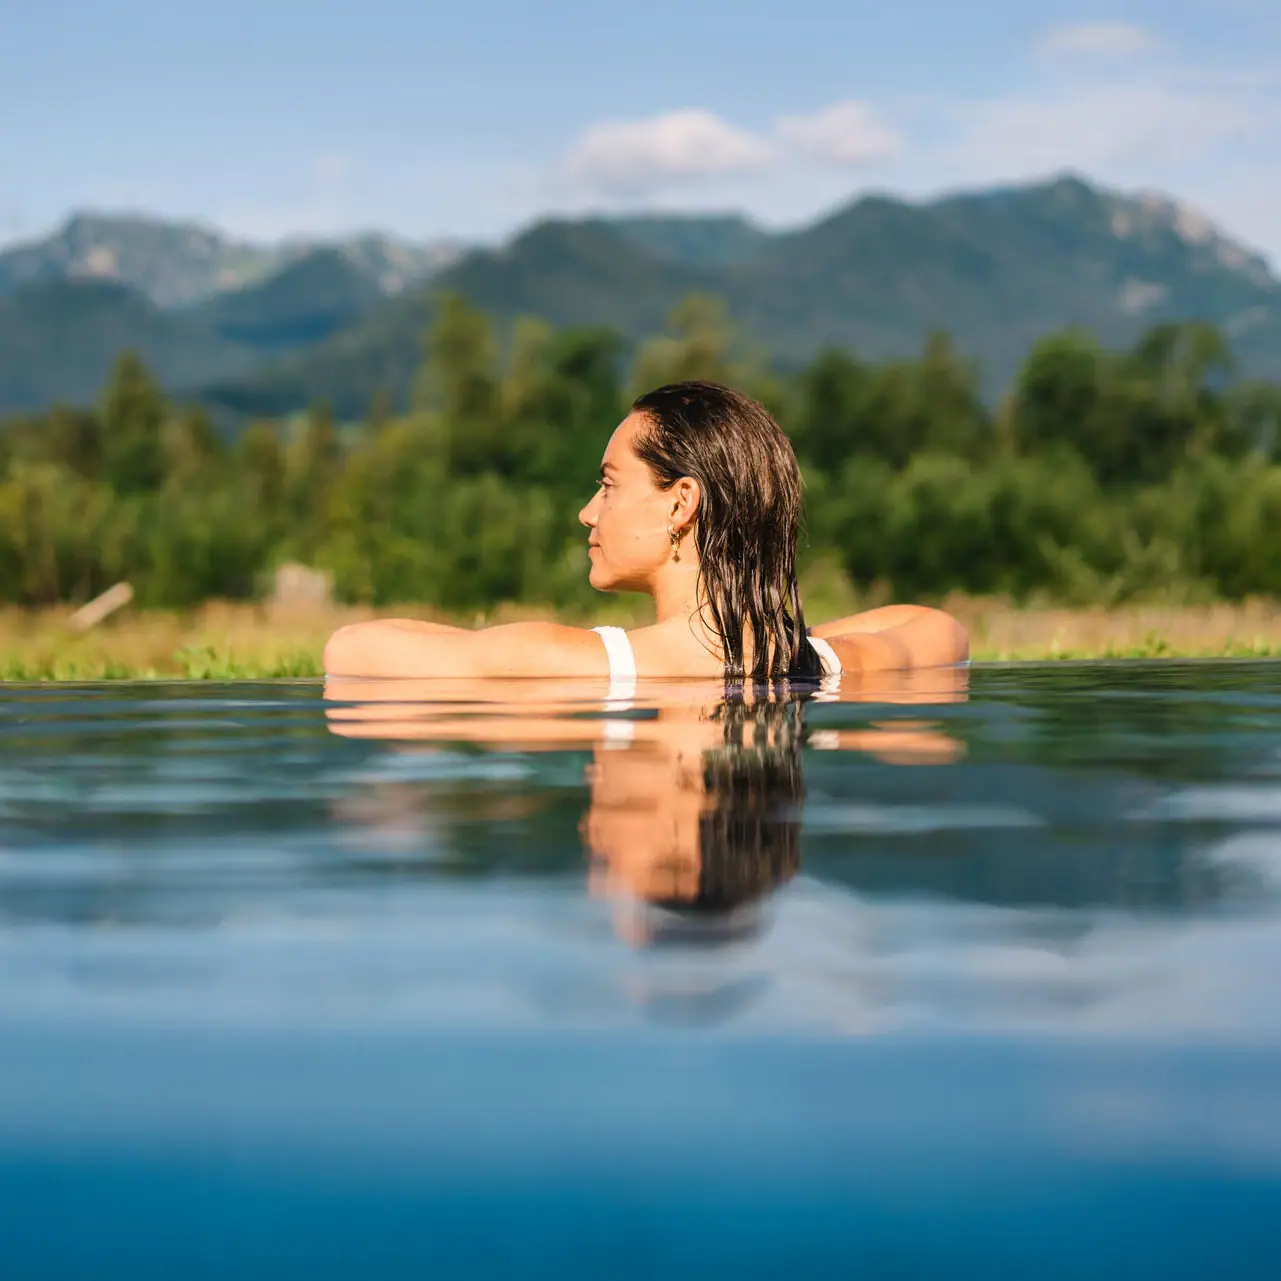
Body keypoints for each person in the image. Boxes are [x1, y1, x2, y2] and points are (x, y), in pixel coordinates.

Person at [322, 381, 968, 683]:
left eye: (607, 484)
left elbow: (350, 649)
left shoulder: (585, 665)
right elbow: (934, 626)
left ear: (679, 502)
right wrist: (760, 635)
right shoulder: (828, 666)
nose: (587, 511)